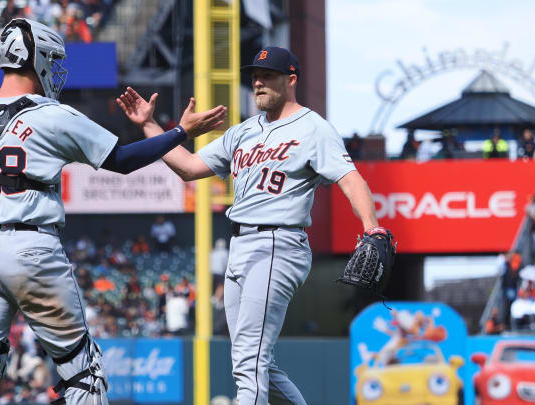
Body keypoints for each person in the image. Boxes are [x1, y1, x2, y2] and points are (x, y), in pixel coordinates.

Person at [0, 18, 225, 405]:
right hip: (32, 246)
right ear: (38, 59)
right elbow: (123, 161)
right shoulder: (52, 114)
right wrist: (179, 132)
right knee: (84, 372)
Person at [117, 46, 384, 405]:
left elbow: (350, 178)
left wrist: (372, 227)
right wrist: (151, 125)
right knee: (258, 362)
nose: (258, 81)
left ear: (291, 80)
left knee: (249, 362)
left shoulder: (314, 128)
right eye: (255, 75)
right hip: (240, 246)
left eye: (268, 75)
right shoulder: (244, 131)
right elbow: (189, 168)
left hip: (278, 242)